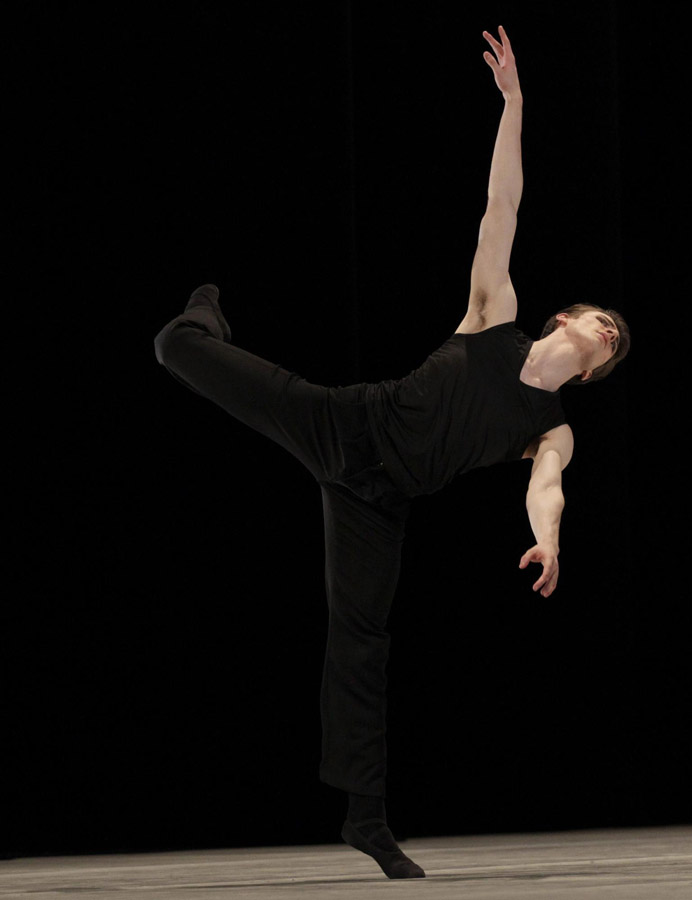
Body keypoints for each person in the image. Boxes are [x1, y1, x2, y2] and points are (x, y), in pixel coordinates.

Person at [153, 25, 630, 880]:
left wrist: (549, 540)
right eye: (602, 318)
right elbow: (502, 207)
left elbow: (548, 488)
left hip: (381, 498)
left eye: (614, 341)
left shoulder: (554, 426)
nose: (607, 330)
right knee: (174, 348)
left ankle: (365, 819)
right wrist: (514, 106)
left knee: (362, 640)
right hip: (347, 426)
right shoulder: (494, 310)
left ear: (593, 370)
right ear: (568, 318)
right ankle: (202, 317)